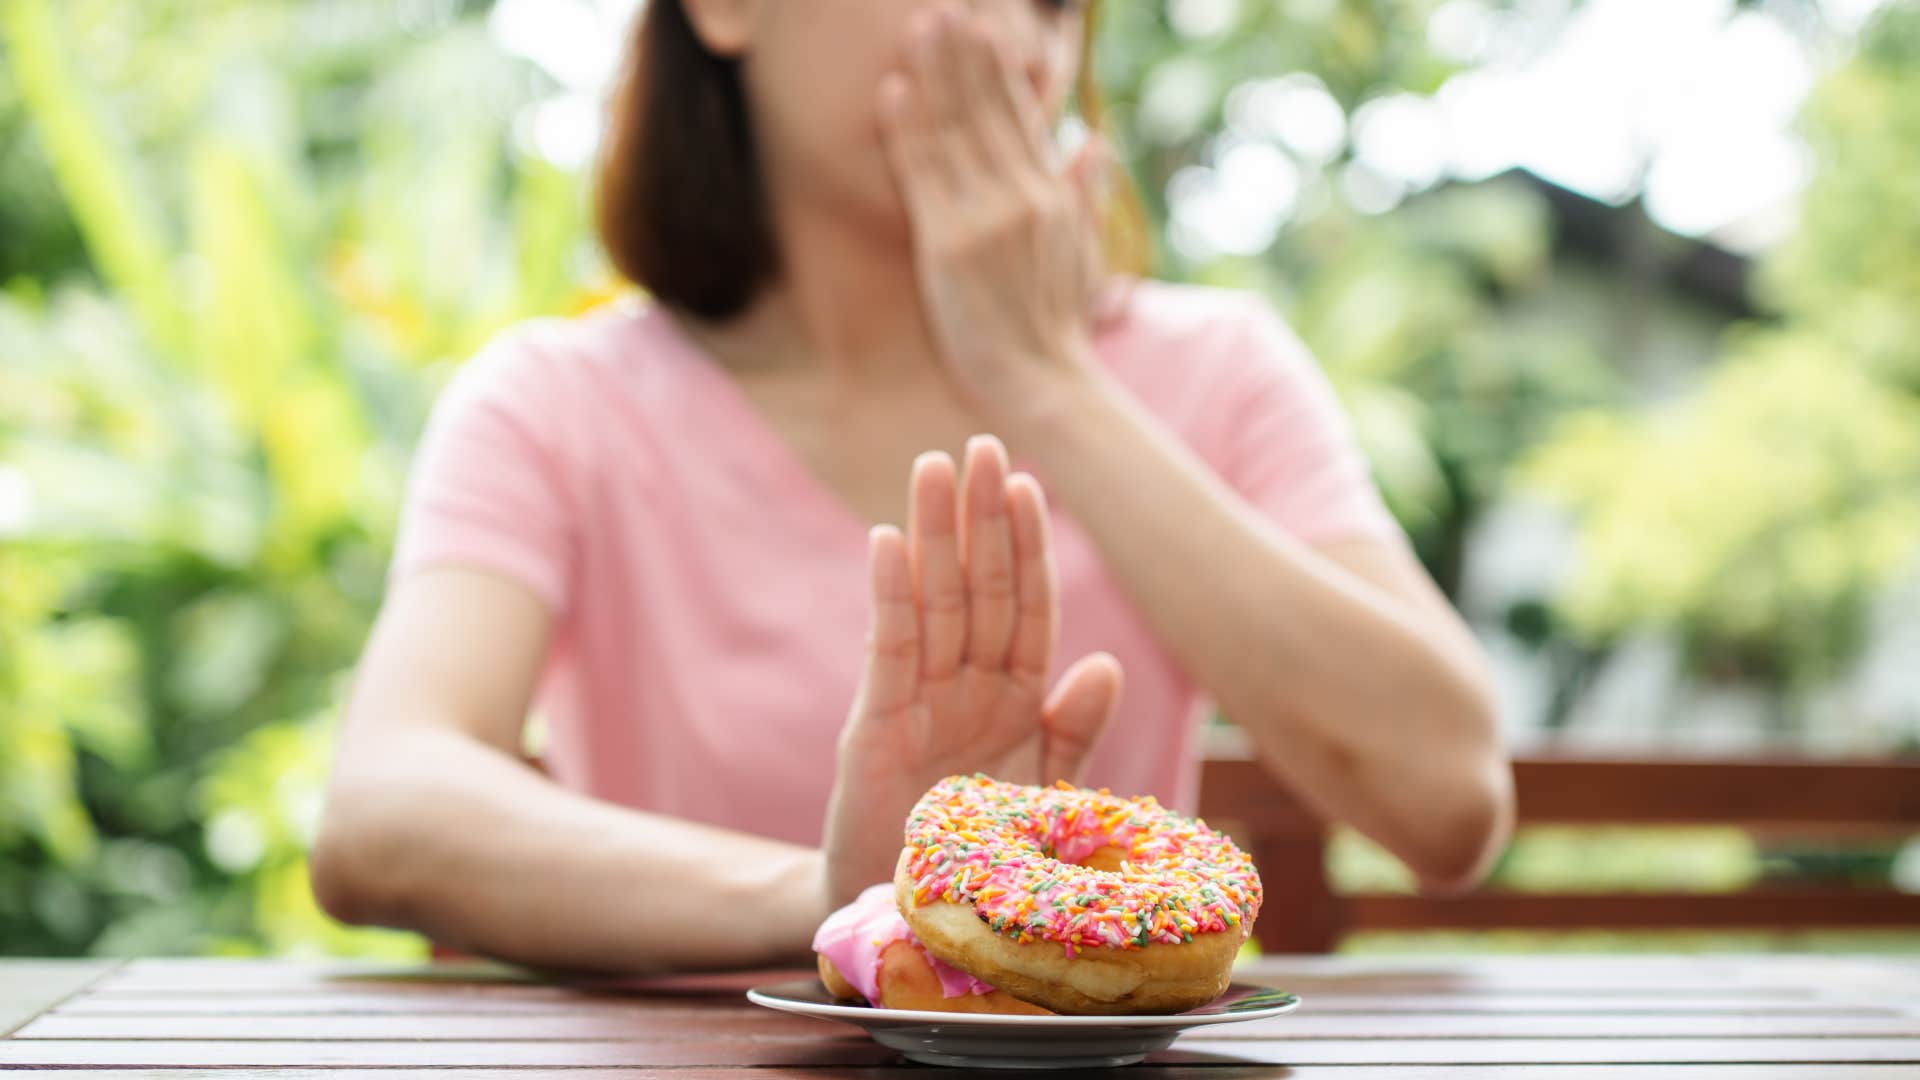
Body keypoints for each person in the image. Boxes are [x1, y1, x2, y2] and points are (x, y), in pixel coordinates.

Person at [311, 0, 1513, 974]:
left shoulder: (1217, 374)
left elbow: (1450, 799)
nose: (1013, 43)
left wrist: (1046, 381)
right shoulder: (554, 403)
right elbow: (384, 809)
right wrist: (856, 896)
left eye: (1053, 5)